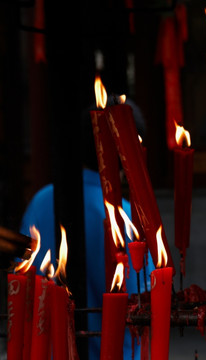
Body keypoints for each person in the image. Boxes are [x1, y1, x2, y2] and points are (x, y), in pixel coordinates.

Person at [19, 97, 154, 359]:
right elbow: (143, 300)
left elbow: (22, 281)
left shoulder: (41, 201)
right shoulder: (128, 217)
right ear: (131, 153)